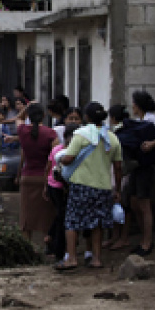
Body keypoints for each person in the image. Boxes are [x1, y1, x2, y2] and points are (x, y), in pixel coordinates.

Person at [55, 102, 123, 271]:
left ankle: (71, 258)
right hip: (103, 187)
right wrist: (117, 189)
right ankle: (96, 259)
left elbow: (69, 158)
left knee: (72, 221)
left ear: (86, 117)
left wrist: (60, 158)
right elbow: (118, 167)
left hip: (82, 185)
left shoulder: (81, 135)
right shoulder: (112, 138)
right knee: (97, 224)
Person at [129, 90, 155, 256]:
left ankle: (147, 242)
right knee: (134, 201)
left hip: (146, 166)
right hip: (138, 165)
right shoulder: (141, 120)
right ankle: (143, 239)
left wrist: (152, 144)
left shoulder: (151, 119)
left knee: (144, 203)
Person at [16, 104, 59, 241]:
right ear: (44, 116)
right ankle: (47, 246)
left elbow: (18, 118)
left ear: (28, 116)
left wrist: (27, 107)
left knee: (26, 217)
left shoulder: (22, 131)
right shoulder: (51, 133)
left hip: (27, 178)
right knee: (46, 216)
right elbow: (54, 158)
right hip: (44, 179)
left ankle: (27, 246)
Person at [44, 123, 79, 260]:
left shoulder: (57, 149)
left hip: (54, 186)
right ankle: (59, 250)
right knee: (63, 218)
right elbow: (49, 168)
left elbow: (48, 169)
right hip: (60, 187)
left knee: (61, 216)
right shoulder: (68, 152)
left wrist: (46, 186)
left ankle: (52, 239)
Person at [102, 104, 135, 251]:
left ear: (113, 118)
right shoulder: (126, 131)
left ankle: (123, 237)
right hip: (122, 173)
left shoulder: (117, 134)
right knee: (117, 205)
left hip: (122, 173)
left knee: (123, 205)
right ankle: (116, 236)